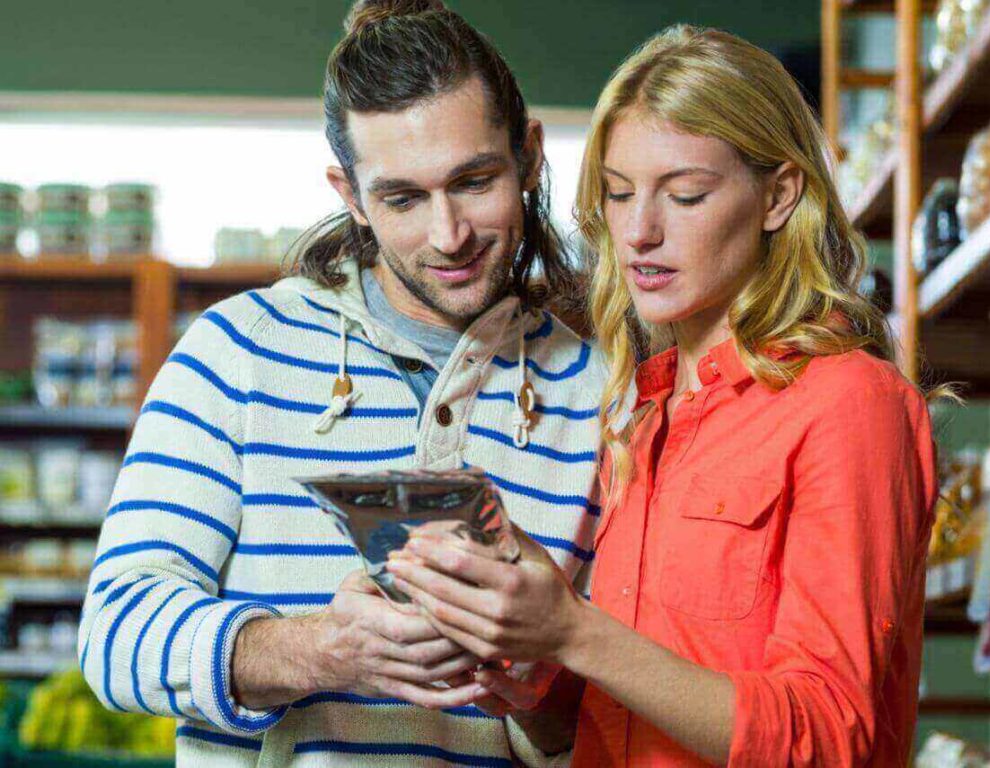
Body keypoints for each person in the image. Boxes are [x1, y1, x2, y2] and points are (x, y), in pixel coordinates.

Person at [386, 24, 939, 767]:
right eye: (618, 194)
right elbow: (624, 717)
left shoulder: (848, 403)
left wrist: (575, 631)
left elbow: (830, 738)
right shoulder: (644, 414)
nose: (639, 232)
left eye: (685, 195)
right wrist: (527, 670)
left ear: (779, 195)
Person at [77, 1, 604, 765]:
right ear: (350, 194)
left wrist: (539, 677)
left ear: (529, 156)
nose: (447, 234)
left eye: (474, 180)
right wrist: (319, 651)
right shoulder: (234, 355)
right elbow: (115, 636)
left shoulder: (601, 393)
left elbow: (609, 716)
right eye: (402, 198)